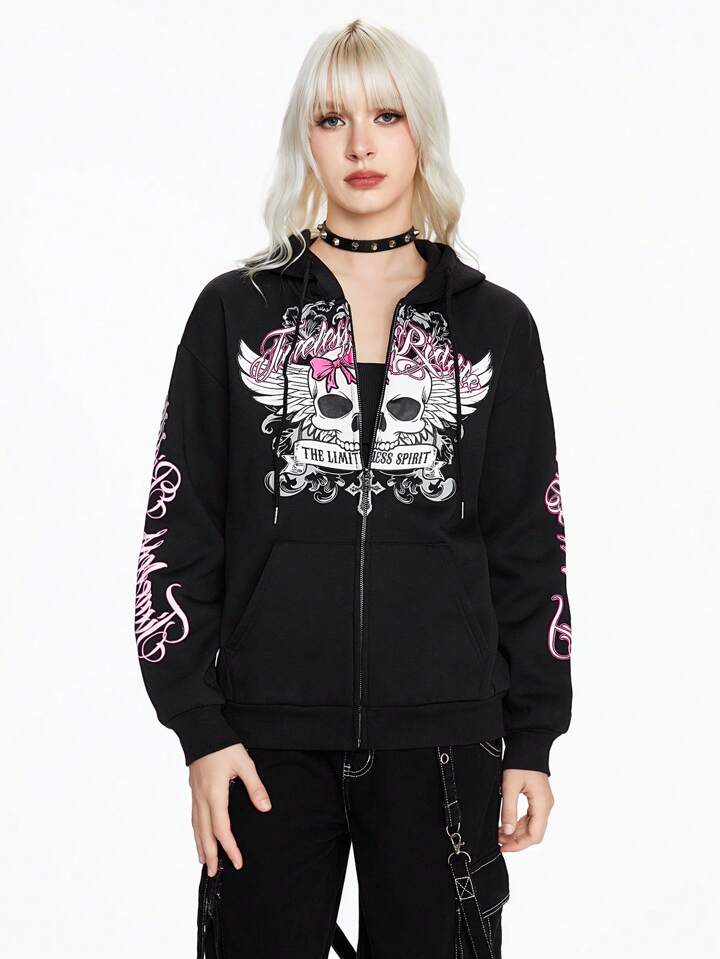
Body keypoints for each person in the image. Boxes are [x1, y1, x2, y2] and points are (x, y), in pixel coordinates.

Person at [133, 18, 573, 959]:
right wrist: (199, 728)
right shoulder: (237, 312)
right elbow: (180, 527)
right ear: (306, 137)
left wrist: (532, 737)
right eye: (333, 119)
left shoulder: (492, 325)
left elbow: (530, 542)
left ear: (423, 132)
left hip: (445, 741)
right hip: (262, 744)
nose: (361, 145)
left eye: (387, 116)